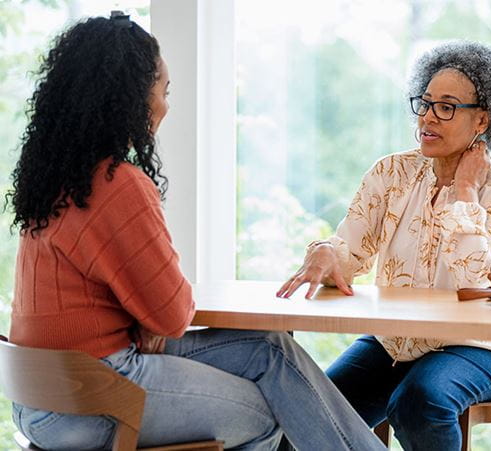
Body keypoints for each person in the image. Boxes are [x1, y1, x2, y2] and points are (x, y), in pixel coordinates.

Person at [6, 14, 384, 451]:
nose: (165, 107)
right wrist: (150, 317)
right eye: (162, 92)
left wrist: (146, 318)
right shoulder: (118, 184)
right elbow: (171, 313)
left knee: (270, 348)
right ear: (128, 99)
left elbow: (135, 307)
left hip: (39, 397)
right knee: (267, 411)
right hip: (93, 396)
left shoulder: (56, 180)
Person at [277, 40, 491, 450]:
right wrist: (326, 254)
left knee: (418, 401)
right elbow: (351, 252)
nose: (428, 118)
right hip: (396, 341)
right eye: (425, 103)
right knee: (309, 416)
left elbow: (490, 285)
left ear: (482, 119)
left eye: (447, 107)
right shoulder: (391, 172)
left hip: (485, 348)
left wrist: (465, 190)